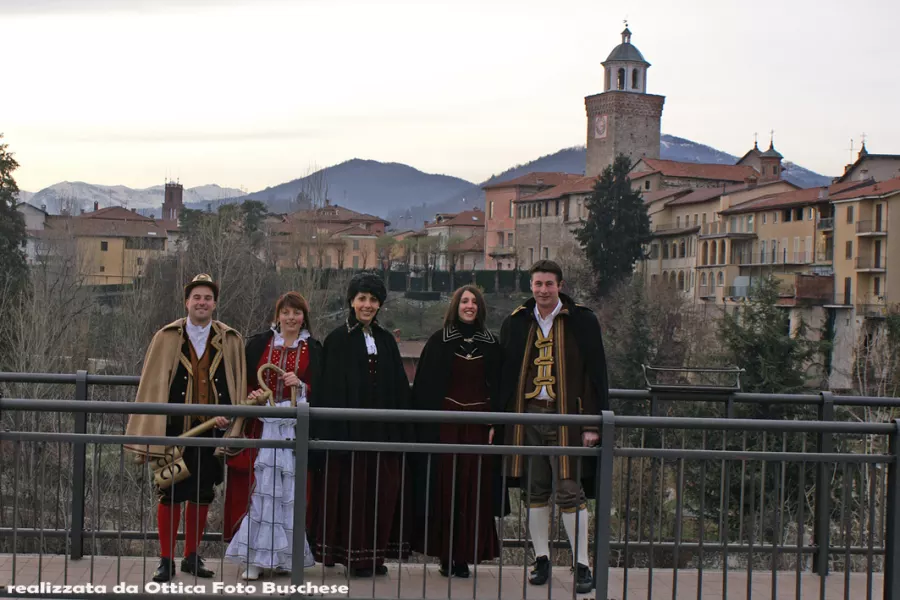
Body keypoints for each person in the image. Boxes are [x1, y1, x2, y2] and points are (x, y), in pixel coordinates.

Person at [125, 274, 247, 583]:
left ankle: (192, 556)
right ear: (187, 302)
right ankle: (165, 561)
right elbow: (153, 384)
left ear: (214, 303)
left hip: (211, 432)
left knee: (202, 494)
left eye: (207, 298)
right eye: (197, 298)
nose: (202, 302)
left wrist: (229, 415)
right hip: (174, 430)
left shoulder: (229, 338)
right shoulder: (166, 337)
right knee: (170, 492)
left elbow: (235, 381)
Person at [498, 260, 609, 594]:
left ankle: (583, 564)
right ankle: (541, 558)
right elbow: (504, 373)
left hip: (568, 420)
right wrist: (498, 420)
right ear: (530, 286)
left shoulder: (583, 320)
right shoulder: (517, 321)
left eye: (549, 284)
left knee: (570, 491)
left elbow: (596, 373)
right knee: (534, 491)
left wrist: (593, 422)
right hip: (528, 417)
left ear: (560, 285)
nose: (543, 290)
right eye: (537, 284)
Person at [308, 273, 412, 577]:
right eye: (362, 299)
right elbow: (329, 390)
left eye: (373, 300)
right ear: (352, 302)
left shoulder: (386, 340)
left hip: (381, 434)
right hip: (349, 435)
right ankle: (353, 558)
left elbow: (398, 388)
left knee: (380, 495)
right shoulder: (338, 339)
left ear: (379, 304)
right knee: (352, 496)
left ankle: (374, 557)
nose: (367, 305)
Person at [224, 292, 321, 580]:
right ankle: (255, 558)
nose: (291, 318)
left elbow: (323, 386)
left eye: (297, 313)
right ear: (277, 316)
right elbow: (245, 379)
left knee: (289, 495)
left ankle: (285, 558)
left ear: (304, 317)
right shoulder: (259, 344)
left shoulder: (313, 348)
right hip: (261, 428)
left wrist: (302, 386)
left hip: (294, 430)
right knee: (262, 493)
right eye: (286, 312)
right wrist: (252, 395)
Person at [411, 285, 505, 577]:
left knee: (473, 488)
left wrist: (495, 425)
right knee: (447, 487)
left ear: (480, 308)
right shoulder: (439, 342)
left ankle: (465, 555)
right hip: (447, 423)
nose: (470, 306)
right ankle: (447, 554)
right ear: (456, 306)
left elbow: (502, 388)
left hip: (479, 425)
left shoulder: (491, 343)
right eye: (464, 301)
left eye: (474, 302)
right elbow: (425, 387)